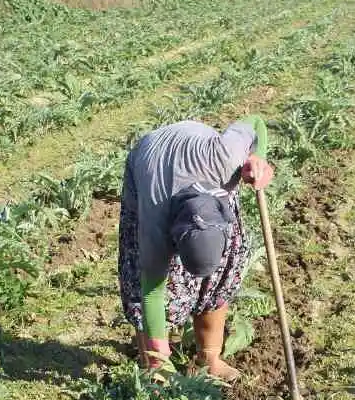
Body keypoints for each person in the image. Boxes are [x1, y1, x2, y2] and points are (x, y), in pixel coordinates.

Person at [117, 116, 273, 381]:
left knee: (220, 279)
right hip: (150, 161)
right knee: (144, 282)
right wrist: (160, 356)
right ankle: (153, 363)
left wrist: (258, 156)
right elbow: (151, 292)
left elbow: (257, 122)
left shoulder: (227, 155)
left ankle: (209, 357)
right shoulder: (154, 219)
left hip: (205, 161)